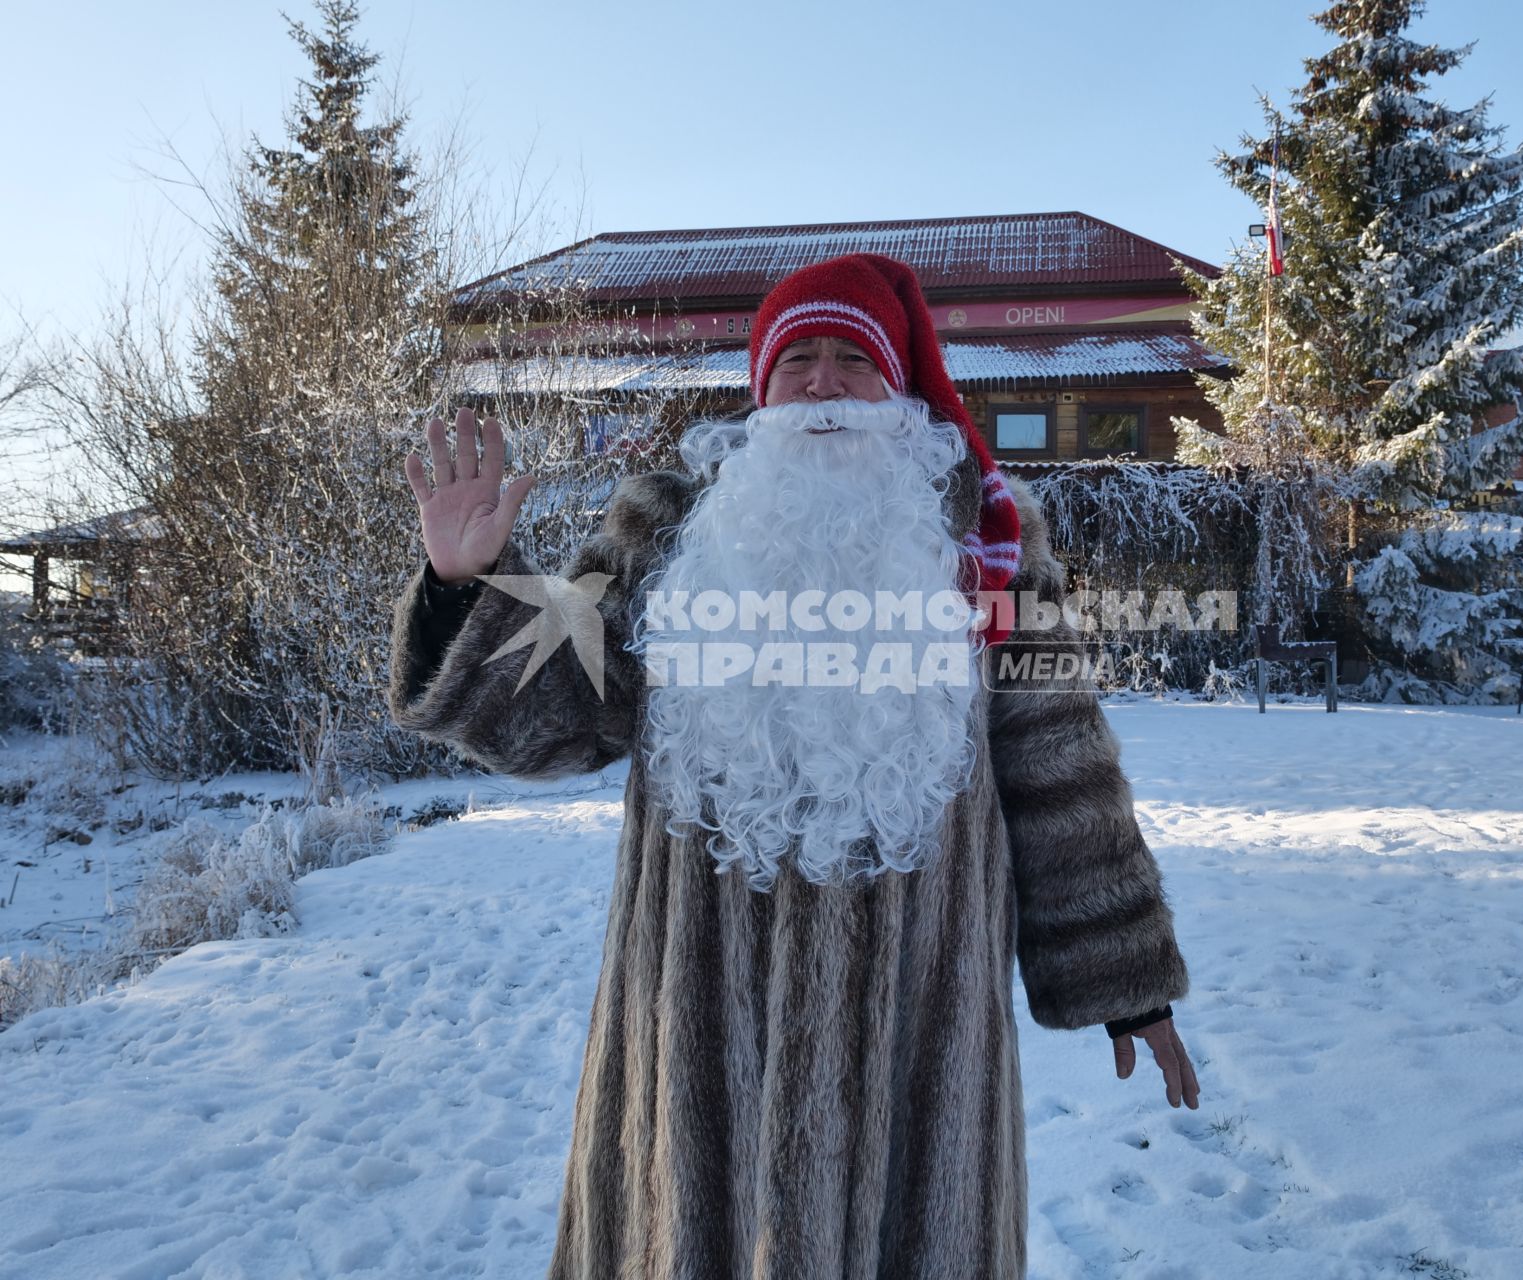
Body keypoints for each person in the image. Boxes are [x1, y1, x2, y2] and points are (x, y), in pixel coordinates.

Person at [388, 252, 1197, 1280]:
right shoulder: (664, 532)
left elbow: (1057, 764)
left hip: (918, 1039)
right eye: (798, 359)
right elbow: (554, 715)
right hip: (695, 1045)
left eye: (851, 360)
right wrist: (471, 586)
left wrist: (1126, 980)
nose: (822, 384)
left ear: (896, 387)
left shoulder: (988, 550)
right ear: (760, 387)